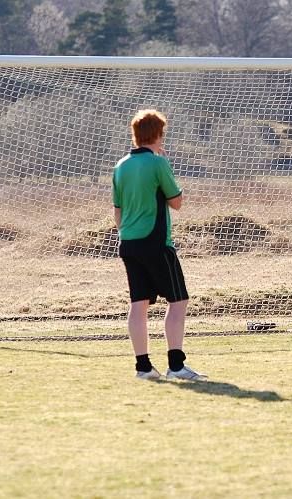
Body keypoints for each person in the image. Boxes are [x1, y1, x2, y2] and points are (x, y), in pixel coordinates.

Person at [113, 109, 207, 380]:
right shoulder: (158, 163)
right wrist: (165, 164)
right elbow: (176, 202)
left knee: (138, 303)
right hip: (156, 243)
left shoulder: (120, 166)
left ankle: (143, 368)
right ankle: (176, 366)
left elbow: (117, 212)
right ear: (158, 134)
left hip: (128, 243)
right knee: (178, 301)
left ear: (135, 135)